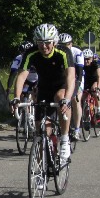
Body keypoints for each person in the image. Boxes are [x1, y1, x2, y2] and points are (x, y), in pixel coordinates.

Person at [10, 24, 75, 165]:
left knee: (60, 98)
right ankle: (43, 167)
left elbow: (70, 77)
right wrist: (16, 97)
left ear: (54, 42)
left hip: (62, 86)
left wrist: (67, 99)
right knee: (41, 131)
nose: (44, 46)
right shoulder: (31, 53)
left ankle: (65, 139)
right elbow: (21, 76)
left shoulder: (63, 52)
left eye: (47, 43)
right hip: (44, 88)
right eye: (40, 42)